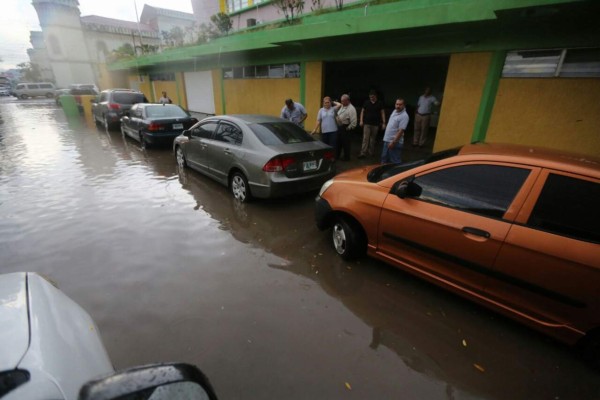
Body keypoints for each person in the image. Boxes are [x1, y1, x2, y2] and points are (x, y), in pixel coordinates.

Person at [359, 90, 386, 158]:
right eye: (370, 97)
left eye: (373, 97)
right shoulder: (366, 102)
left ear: (375, 96)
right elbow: (362, 112)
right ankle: (363, 153)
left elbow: (382, 113)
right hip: (367, 123)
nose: (371, 98)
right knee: (365, 138)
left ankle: (371, 152)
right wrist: (361, 121)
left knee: (373, 139)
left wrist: (384, 122)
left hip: (375, 124)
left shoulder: (380, 103)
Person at [381, 98, 409, 164]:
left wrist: (393, 142)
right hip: (387, 140)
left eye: (400, 104)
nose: (398, 106)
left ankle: (397, 174)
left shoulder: (404, 116)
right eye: (397, 104)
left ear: (404, 105)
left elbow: (401, 131)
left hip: (395, 143)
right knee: (384, 159)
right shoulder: (394, 111)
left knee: (395, 162)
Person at [333, 94, 357, 161]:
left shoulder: (352, 109)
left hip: (346, 127)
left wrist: (347, 128)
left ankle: (346, 158)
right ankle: (337, 156)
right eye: (341, 101)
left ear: (347, 100)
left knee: (346, 144)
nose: (342, 102)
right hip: (339, 127)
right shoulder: (342, 106)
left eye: (343, 101)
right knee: (338, 143)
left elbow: (354, 123)